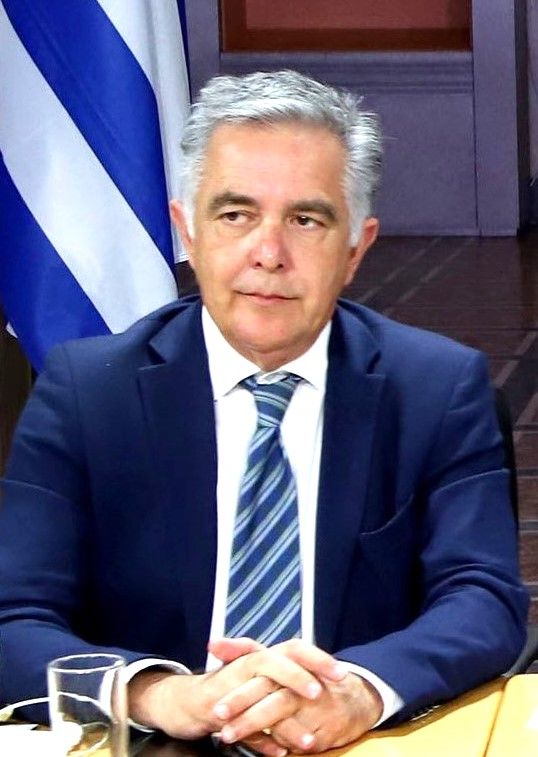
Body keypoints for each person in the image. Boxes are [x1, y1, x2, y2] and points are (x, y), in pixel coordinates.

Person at [0, 70, 528, 755]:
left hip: (357, 744)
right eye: (235, 215)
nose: (269, 254)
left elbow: (483, 598)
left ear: (356, 248)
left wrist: (359, 690)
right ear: (188, 233)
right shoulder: (87, 392)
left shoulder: (436, 388)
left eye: (306, 220)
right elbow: (13, 617)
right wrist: (161, 693)